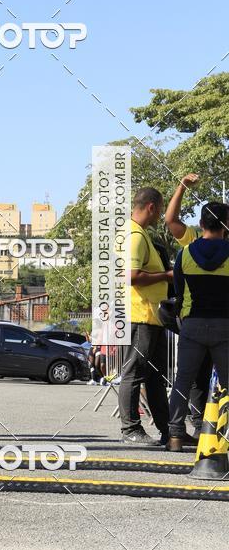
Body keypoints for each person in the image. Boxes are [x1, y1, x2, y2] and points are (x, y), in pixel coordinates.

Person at [167, 202, 229, 451]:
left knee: (183, 381)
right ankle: (224, 436)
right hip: (225, 325)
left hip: (192, 325)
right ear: (226, 224)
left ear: (201, 224)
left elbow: (179, 293)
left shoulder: (185, 254)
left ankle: (175, 436)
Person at [117, 188, 173, 447]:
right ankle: (130, 429)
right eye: (160, 208)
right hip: (140, 315)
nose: (161, 213)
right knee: (135, 372)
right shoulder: (135, 236)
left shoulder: (137, 234)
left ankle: (169, 429)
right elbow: (132, 275)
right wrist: (167, 276)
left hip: (151, 316)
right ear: (151, 206)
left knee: (155, 375)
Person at [165, 172, 214, 437]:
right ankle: (202, 426)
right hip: (219, 320)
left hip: (192, 319)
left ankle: (181, 430)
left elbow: (171, 221)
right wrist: (181, 186)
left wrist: (182, 185)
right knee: (200, 375)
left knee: (190, 375)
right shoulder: (199, 238)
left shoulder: (193, 243)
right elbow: (171, 221)